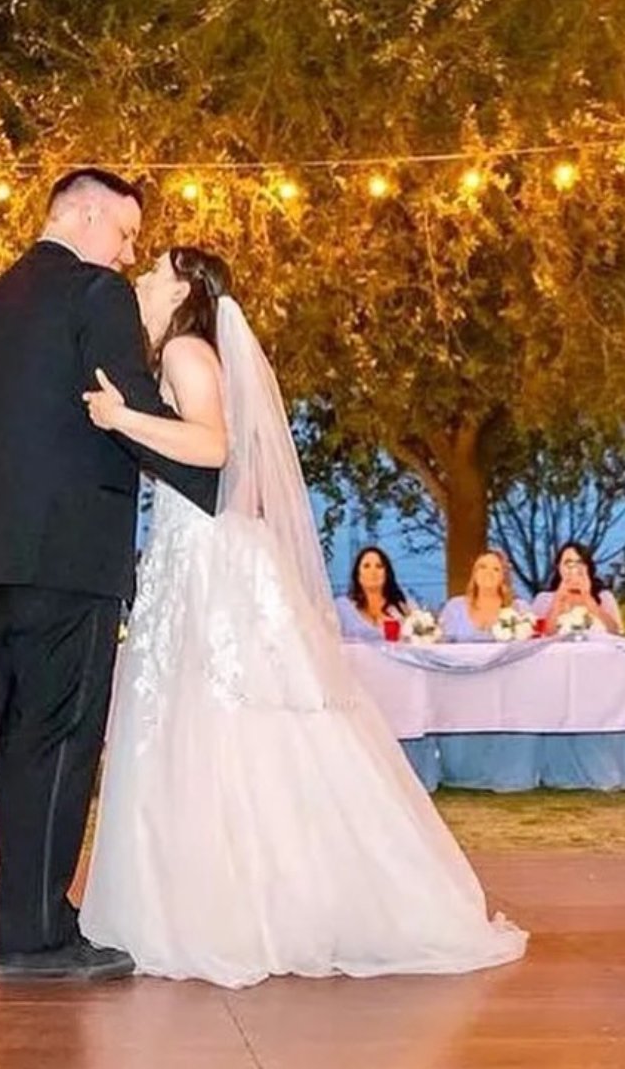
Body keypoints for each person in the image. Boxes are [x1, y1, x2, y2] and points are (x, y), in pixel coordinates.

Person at [78, 245, 526, 987]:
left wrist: (123, 418)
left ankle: (245, 908)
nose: (143, 280)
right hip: (193, 552)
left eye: (155, 272)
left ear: (184, 290)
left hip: (209, 561)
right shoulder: (185, 353)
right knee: (206, 721)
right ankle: (226, 898)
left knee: (219, 717)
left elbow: (213, 447)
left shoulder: (187, 352)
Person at [0, 169, 222, 983]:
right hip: (67, 554)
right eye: (126, 234)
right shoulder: (94, 294)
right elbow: (125, 405)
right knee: (62, 741)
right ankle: (37, 939)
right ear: (87, 214)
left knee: (19, 743)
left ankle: (27, 922)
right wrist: (221, 490)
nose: (129, 255)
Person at [531, 541, 623, 636]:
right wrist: (558, 600)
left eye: (580, 562)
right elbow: (540, 637)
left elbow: (616, 633)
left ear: (588, 567)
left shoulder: (605, 597)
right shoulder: (543, 599)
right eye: (568, 562)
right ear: (559, 567)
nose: (574, 568)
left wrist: (588, 598)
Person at [440, 550, 531, 640]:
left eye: (496, 569)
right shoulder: (455, 607)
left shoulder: (520, 609)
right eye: (482, 567)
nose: (488, 572)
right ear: (474, 573)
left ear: (503, 577)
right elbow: (442, 643)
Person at [335, 546, 413, 641]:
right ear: (358, 575)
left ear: (386, 574)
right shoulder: (343, 608)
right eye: (366, 566)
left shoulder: (402, 609)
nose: (373, 572)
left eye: (379, 566)